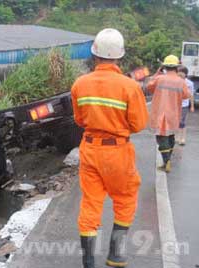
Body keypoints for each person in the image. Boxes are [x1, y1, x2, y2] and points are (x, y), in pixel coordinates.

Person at [71, 28, 148, 268]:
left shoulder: (80, 84)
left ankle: (88, 262)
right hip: (117, 152)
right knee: (125, 198)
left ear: (94, 54)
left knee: (91, 202)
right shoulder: (129, 86)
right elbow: (139, 124)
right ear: (119, 56)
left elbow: (79, 120)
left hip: (90, 149)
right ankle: (115, 254)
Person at [146, 55, 191, 172]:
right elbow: (186, 95)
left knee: (161, 138)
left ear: (164, 66)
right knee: (171, 137)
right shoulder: (181, 82)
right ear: (177, 67)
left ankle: (167, 161)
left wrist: (158, 72)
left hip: (160, 113)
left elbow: (149, 87)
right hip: (173, 114)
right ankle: (168, 160)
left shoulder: (159, 79)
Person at [177, 65, 195, 145]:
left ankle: (183, 138)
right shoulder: (175, 82)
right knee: (176, 122)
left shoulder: (189, 83)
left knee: (182, 122)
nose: (179, 75)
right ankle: (177, 137)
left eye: (181, 73)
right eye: (178, 73)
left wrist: (192, 106)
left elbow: (191, 95)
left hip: (184, 105)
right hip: (175, 105)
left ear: (185, 74)